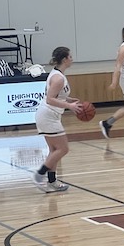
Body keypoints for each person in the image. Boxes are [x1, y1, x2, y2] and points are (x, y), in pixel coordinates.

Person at [32, 47, 82, 193]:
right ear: (65, 59)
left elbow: (56, 95)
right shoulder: (58, 78)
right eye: (70, 56)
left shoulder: (57, 74)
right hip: (48, 115)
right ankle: (39, 175)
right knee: (63, 148)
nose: (72, 59)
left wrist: (68, 99)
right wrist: (69, 106)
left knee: (54, 150)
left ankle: (52, 182)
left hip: (48, 115)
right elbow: (50, 99)